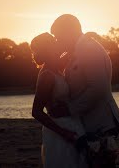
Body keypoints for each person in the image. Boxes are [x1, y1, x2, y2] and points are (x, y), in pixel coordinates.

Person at [49, 14, 119, 167]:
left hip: (101, 122)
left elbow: (98, 88)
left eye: (58, 36)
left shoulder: (89, 49)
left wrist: (69, 109)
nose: (58, 41)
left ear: (69, 32)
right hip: (89, 122)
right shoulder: (75, 52)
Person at [30, 32, 88, 168]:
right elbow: (36, 112)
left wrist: (85, 38)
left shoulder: (56, 68)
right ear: (48, 49)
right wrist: (64, 133)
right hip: (60, 132)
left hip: (73, 125)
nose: (58, 44)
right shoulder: (47, 76)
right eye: (54, 42)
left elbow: (72, 50)